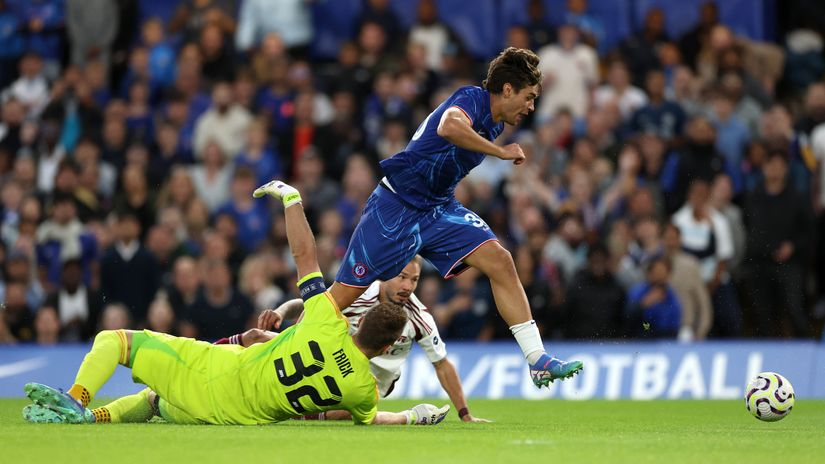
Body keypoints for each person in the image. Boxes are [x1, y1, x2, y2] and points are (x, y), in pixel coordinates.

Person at [22, 182, 449, 426]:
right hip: (233, 418)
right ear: (390, 347)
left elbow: (304, 256)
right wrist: (415, 414)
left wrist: (292, 199)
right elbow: (373, 419)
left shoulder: (326, 322)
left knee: (114, 340)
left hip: (217, 373)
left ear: (362, 322)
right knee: (156, 401)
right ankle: (94, 419)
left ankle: (77, 400)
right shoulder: (361, 389)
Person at [317, 47, 582, 387]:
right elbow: (448, 126)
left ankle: (537, 359)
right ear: (506, 90)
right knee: (340, 298)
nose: (531, 107)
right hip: (395, 206)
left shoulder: (495, 124)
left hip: (438, 208)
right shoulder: (472, 99)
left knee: (500, 260)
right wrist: (499, 153)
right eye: (528, 97)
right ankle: (278, 351)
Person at [226, 257, 489, 423]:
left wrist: (465, 414)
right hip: (331, 360)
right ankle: (214, 358)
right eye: (402, 276)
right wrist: (282, 313)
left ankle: (299, 413)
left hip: (367, 385)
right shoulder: (355, 295)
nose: (408, 286)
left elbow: (442, 364)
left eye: (414, 279)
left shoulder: (419, 317)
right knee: (256, 336)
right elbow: (311, 305)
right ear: (385, 273)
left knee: (344, 410)